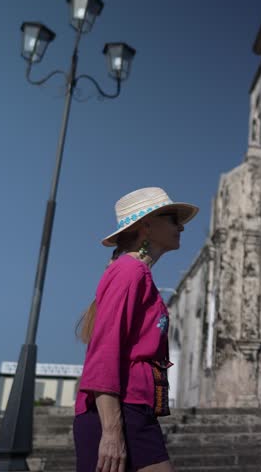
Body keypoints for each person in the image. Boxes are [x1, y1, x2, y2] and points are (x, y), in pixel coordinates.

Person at [74, 187, 197, 472]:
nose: (180, 226)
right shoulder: (130, 272)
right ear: (146, 225)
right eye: (172, 218)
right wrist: (112, 432)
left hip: (136, 412)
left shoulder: (136, 273)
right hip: (120, 413)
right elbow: (104, 352)